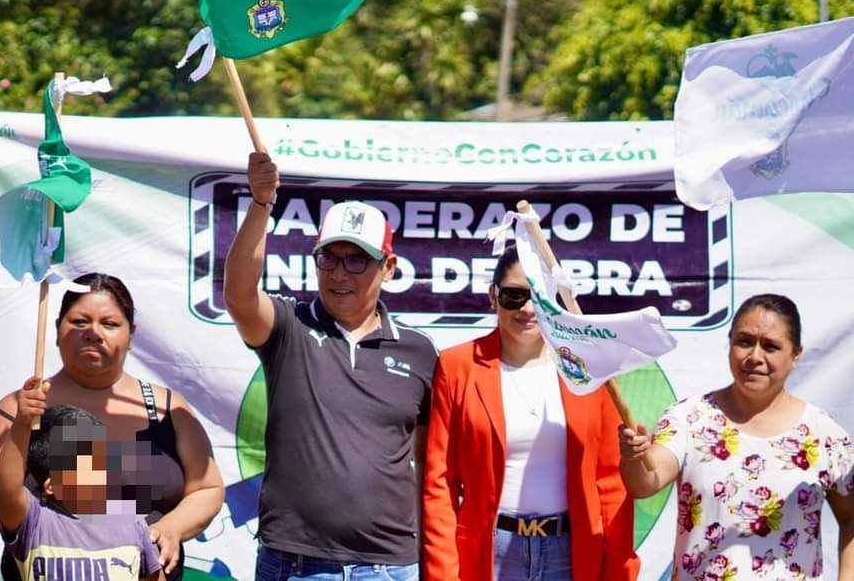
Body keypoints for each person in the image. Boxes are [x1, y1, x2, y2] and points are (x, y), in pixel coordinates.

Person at [224, 152, 438, 581]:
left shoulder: (420, 352)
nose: (340, 273)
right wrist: (261, 204)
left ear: (388, 267)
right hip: (295, 564)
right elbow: (239, 295)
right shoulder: (289, 326)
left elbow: (429, 463)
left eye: (357, 259)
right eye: (330, 258)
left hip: (391, 568)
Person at [0, 273, 224, 580]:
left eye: (109, 324)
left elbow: (208, 488)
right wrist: (26, 519)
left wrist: (170, 528)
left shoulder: (167, 409)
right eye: (79, 322)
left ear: (131, 335)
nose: (93, 333)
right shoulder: (22, 410)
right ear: (57, 330)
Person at [423, 245, 639, 581]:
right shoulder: (457, 367)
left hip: (570, 551)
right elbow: (440, 482)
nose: (527, 308)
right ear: (492, 296)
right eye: (513, 296)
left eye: (540, 297)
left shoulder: (588, 369)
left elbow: (612, 482)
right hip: (489, 552)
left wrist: (618, 570)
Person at [619, 294, 854, 580]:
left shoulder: (824, 435)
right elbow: (646, 482)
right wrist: (634, 456)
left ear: (796, 354)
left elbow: (851, 516)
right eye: (745, 341)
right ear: (730, 343)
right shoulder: (689, 418)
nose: (755, 357)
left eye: (771, 346)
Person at [0, 382, 163, 581]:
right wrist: (23, 422)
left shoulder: (131, 521)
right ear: (52, 486)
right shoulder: (35, 522)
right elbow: (7, 488)